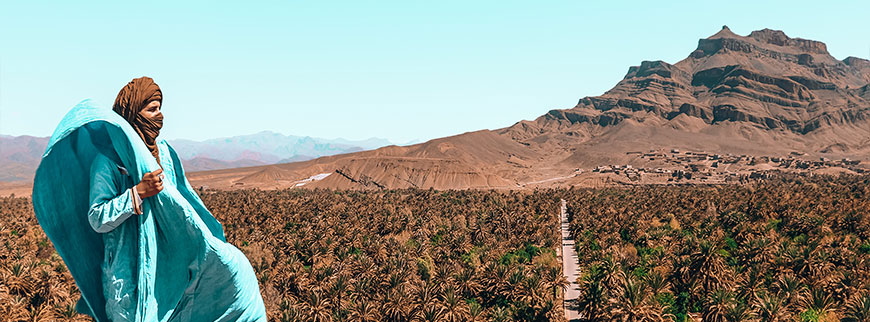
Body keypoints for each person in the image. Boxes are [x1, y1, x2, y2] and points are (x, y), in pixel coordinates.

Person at [32, 77, 267, 321]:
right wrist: (137, 193)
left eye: (160, 108)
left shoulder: (163, 152)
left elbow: (183, 202)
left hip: (166, 273)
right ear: (133, 113)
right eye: (152, 109)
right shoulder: (109, 160)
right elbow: (97, 218)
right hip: (127, 282)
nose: (160, 116)